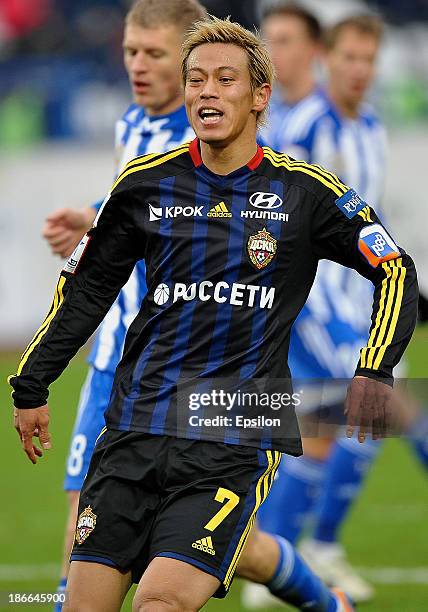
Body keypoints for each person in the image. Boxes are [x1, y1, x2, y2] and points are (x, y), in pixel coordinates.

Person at [10, 15, 417, 612]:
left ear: (259, 97)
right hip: (134, 428)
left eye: (226, 79)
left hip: (233, 437)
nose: (207, 91)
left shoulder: (305, 193)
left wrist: (374, 369)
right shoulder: (146, 185)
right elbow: (87, 287)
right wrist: (32, 383)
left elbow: (395, 269)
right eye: (196, 79)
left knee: (162, 603)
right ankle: (322, 598)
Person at [255, 8, 428, 604]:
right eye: (348, 57)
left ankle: (276, 551)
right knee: (376, 412)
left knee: (333, 425)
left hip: (363, 299)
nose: (358, 70)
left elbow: (370, 218)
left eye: (368, 59)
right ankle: (310, 548)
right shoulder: (301, 128)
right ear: (328, 60)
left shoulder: (371, 128)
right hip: (317, 302)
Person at [41, 0, 203, 606]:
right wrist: (92, 220)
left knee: (235, 546)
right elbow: (129, 210)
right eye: (132, 50)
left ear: (188, 60)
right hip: (114, 350)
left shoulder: (204, 138)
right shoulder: (132, 122)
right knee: (83, 505)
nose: (137, 64)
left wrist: (96, 222)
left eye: (154, 53)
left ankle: (318, 594)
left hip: (177, 362)